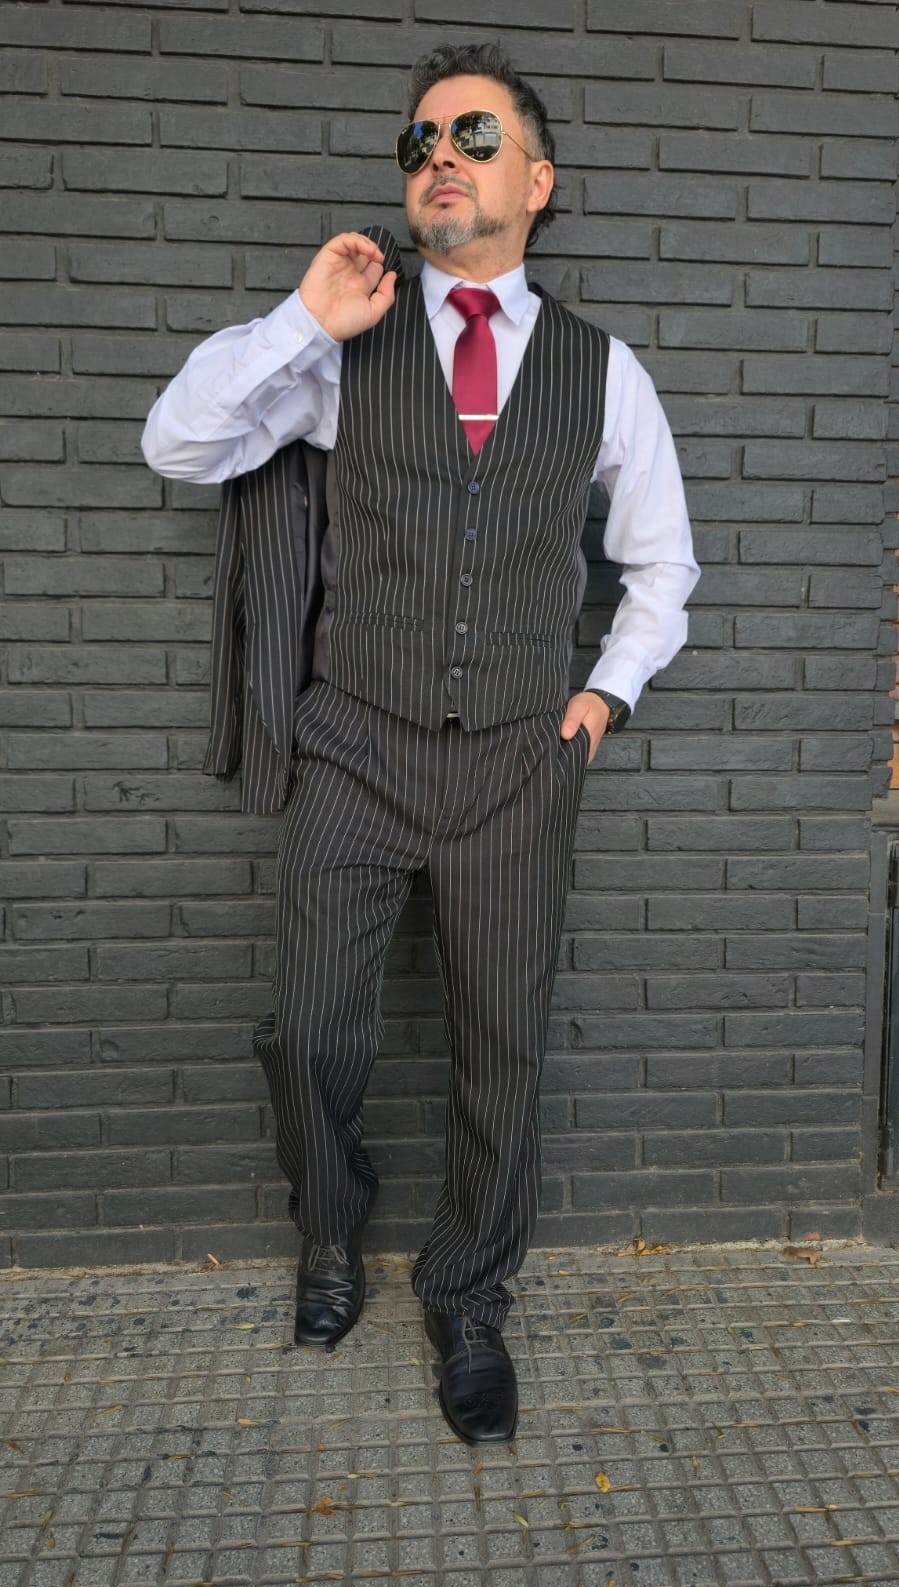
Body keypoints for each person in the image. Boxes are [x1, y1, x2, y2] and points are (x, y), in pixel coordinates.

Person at [142, 41, 699, 1447]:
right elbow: (179, 445)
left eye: (472, 136)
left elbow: (662, 567)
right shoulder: (347, 338)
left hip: (517, 762)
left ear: (537, 180)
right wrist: (304, 316)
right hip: (356, 747)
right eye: (420, 143)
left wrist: (601, 699)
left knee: (502, 1049)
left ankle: (470, 1295)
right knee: (312, 1028)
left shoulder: (603, 371)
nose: (439, 157)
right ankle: (330, 1231)